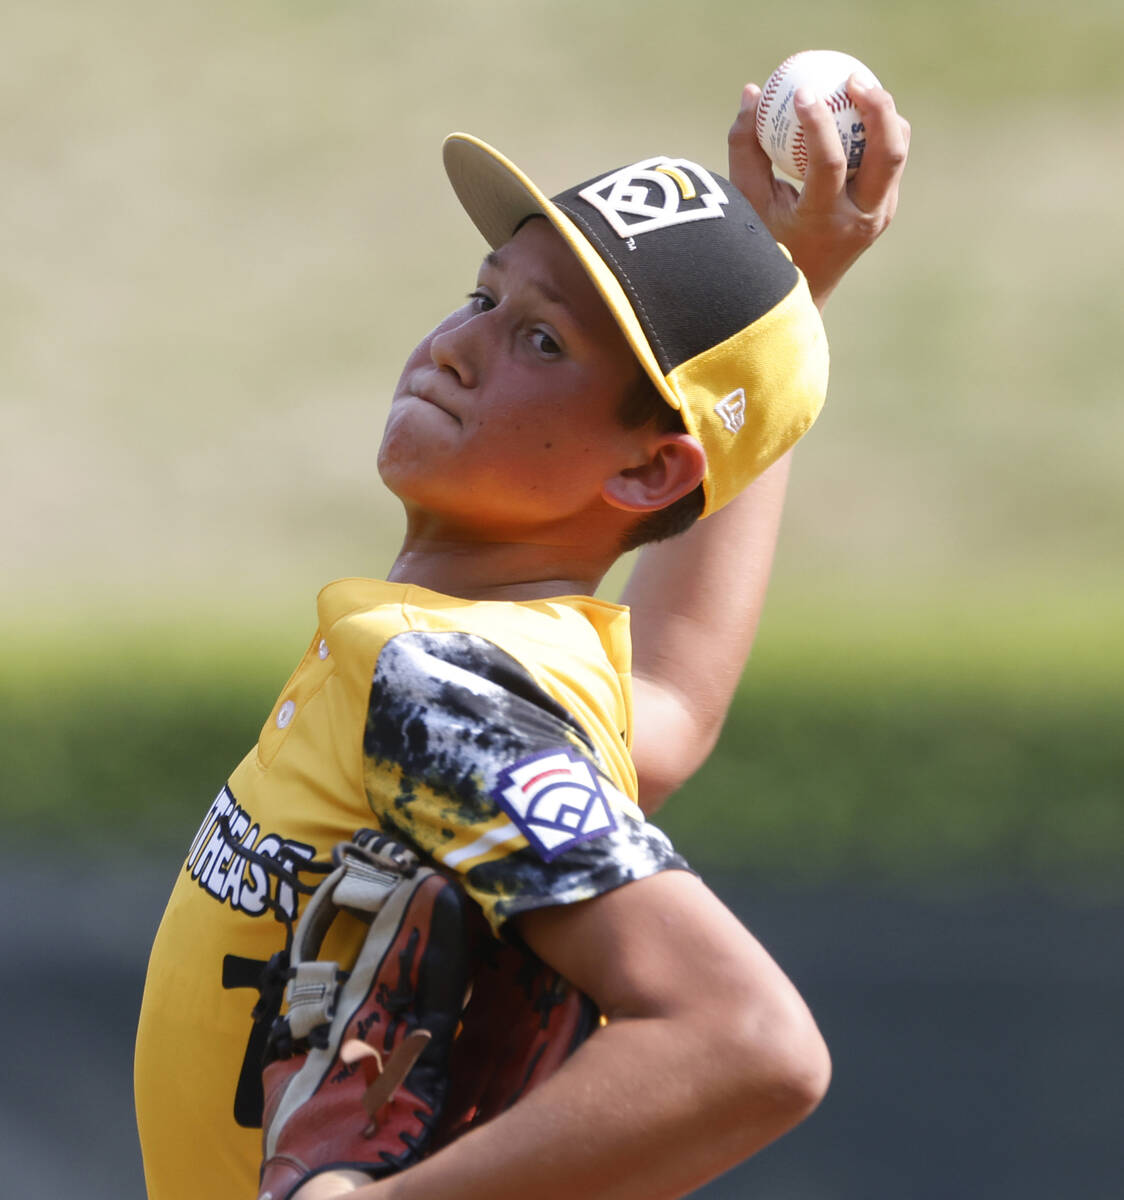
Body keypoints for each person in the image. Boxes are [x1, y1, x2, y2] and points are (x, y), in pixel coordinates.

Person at [134, 77, 909, 1200]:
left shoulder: (436, 683)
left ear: (647, 470)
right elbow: (675, 700)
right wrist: (785, 302)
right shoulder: (535, 672)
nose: (456, 345)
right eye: (480, 296)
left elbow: (746, 1041)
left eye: (540, 340)